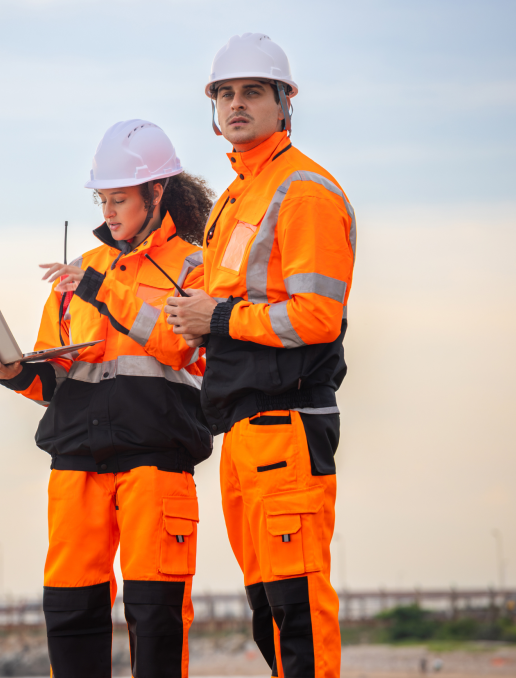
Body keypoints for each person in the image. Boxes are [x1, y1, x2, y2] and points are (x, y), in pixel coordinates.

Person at [0, 119, 215, 677]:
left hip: (155, 463)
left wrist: (102, 290)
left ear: (157, 193)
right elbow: (54, 383)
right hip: (76, 464)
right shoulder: (80, 274)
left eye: (119, 199)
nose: (107, 212)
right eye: (101, 199)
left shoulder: (196, 268)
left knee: (155, 613)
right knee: (70, 609)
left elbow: (180, 349)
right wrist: (13, 373)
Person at [165, 34, 356, 678]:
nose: (237, 104)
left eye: (252, 92)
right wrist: (197, 324)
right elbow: (230, 313)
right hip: (243, 430)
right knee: (267, 610)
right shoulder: (232, 199)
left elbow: (315, 316)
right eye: (225, 94)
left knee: (297, 605)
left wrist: (214, 316)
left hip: (288, 424)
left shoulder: (302, 192)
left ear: (284, 103)